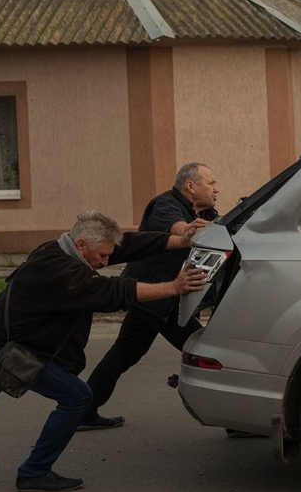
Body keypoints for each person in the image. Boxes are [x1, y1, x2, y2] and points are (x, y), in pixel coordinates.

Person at [0, 211, 207, 492]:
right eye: (102, 256)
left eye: (108, 255)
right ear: (81, 246)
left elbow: (127, 246)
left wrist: (179, 241)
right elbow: (111, 292)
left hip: (2, 344)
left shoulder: (65, 249)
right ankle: (34, 472)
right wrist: (173, 288)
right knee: (78, 398)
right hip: (14, 351)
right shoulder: (59, 270)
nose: (106, 262)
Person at [78, 162, 220, 429]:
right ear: (191, 186)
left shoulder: (210, 215)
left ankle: (83, 411)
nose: (216, 189)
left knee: (123, 354)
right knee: (204, 352)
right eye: (211, 183)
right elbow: (177, 228)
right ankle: (235, 420)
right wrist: (188, 231)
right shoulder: (164, 204)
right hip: (154, 294)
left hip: (165, 298)